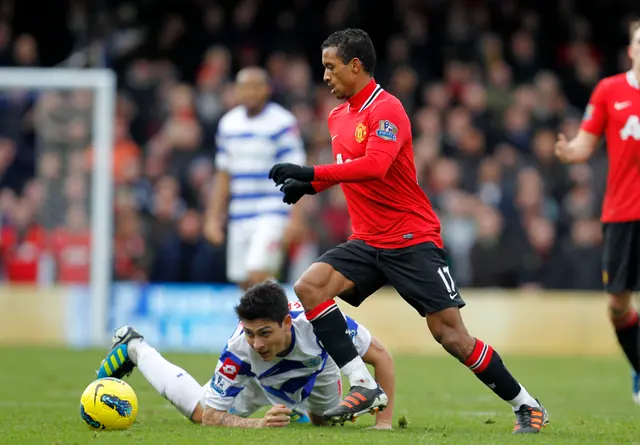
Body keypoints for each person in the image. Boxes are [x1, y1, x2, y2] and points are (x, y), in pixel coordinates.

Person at [268, 28, 548, 434]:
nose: (325, 76)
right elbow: (350, 167)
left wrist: (312, 173)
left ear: (355, 65)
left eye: (330, 67)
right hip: (366, 239)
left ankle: (526, 405)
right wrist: (311, 186)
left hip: (410, 238)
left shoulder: (388, 109)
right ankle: (363, 384)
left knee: (452, 337)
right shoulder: (337, 116)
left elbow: (375, 165)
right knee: (310, 287)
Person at [96, 281, 395, 429]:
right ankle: (134, 346)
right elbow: (212, 416)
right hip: (257, 382)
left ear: (287, 323)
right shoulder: (239, 350)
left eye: (264, 333)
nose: (256, 343)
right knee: (199, 412)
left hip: (319, 371)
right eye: (250, 333)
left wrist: (383, 424)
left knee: (325, 425)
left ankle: (297, 409)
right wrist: (257, 424)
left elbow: (381, 357)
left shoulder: (321, 325)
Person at [555, 20, 640, 402]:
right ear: (631, 49)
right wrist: (568, 151)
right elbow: (584, 145)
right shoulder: (610, 90)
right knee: (617, 303)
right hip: (622, 212)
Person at [204, 67, 306, 290]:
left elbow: (296, 171)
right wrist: (212, 217)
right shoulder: (228, 124)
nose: (248, 93)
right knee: (243, 282)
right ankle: (270, 320)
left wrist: (296, 218)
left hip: (273, 211)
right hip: (239, 213)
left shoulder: (282, 122)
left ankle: (283, 321)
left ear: (266, 90)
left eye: (254, 87)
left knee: (258, 272)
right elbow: (223, 174)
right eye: (243, 87)